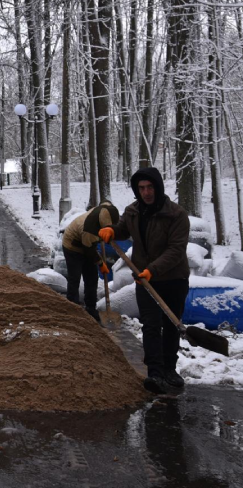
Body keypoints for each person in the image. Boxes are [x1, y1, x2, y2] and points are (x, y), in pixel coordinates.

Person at [99, 166, 190, 395]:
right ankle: (155, 373)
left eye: (150, 187)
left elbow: (176, 250)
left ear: (158, 187)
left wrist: (152, 270)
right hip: (144, 279)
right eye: (141, 188)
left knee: (171, 324)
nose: (146, 192)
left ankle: (170, 368)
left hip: (173, 278)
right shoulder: (132, 211)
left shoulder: (176, 215)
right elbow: (123, 229)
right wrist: (112, 230)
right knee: (150, 325)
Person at [61, 200, 119, 323]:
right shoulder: (89, 229)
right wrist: (101, 264)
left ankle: (91, 308)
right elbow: (90, 251)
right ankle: (73, 309)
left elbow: (106, 202)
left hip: (87, 243)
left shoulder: (107, 210)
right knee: (75, 277)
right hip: (72, 245)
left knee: (92, 277)